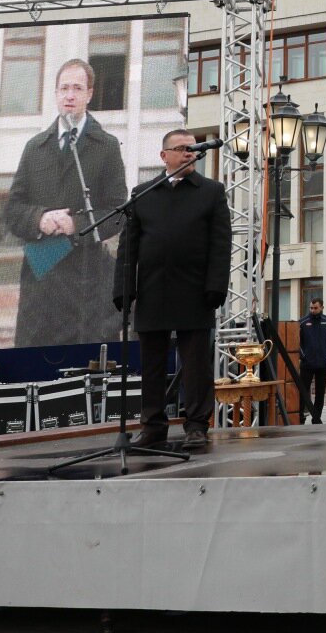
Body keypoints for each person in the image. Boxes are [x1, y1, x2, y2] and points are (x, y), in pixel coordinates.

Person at [113, 129, 232, 452]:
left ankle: (196, 426)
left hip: (195, 290)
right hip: (153, 290)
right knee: (151, 364)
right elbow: (128, 247)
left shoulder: (211, 191)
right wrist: (124, 289)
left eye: (193, 149)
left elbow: (221, 245)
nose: (189, 153)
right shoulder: (143, 193)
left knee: (195, 366)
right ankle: (152, 426)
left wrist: (216, 286)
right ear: (164, 156)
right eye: (181, 149)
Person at [3, 59, 127, 349]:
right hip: (41, 279)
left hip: (86, 283)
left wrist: (77, 224)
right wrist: (39, 219)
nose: (70, 95)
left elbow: (118, 212)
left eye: (77, 88)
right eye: (64, 88)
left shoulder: (106, 146)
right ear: (56, 93)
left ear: (89, 94)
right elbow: (13, 210)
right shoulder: (36, 147)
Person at [297, 297, 326, 424]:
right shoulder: (302, 322)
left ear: (322, 307)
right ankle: (300, 417)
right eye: (311, 308)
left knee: (320, 393)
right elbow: (297, 341)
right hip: (307, 364)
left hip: (322, 363)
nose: (313, 310)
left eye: (315, 308)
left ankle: (316, 418)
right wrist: (303, 356)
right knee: (303, 392)